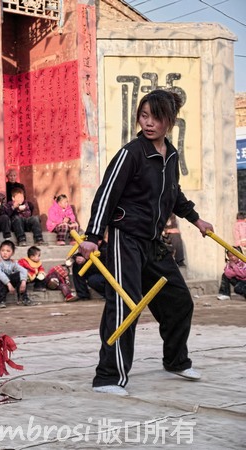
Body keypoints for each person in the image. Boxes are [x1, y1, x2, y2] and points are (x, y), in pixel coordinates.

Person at [78, 89, 214, 396]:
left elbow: (173, 194)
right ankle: (108, 377)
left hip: (154, 242)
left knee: (179, 300)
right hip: (125, 239)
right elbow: (106, 194)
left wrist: (196, 219)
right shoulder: (131, 153)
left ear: (170, 121)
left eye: (156, 117)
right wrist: (93, 237)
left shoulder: (171, 154)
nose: (148, 123)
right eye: (144, 115)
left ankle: (176, 361)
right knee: (125, 306)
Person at [0, 240, 32, 307]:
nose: (5, 253)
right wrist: (9, 284)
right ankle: (1, 301)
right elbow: (0, 274)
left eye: (8, 251)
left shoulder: (13, 262)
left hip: (6, 285)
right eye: (3, 250)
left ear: (12, 253)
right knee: (2, 275)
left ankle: (24, 299)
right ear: (0, 251)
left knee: (20, 274)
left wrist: (23, 281)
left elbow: (23, 270)